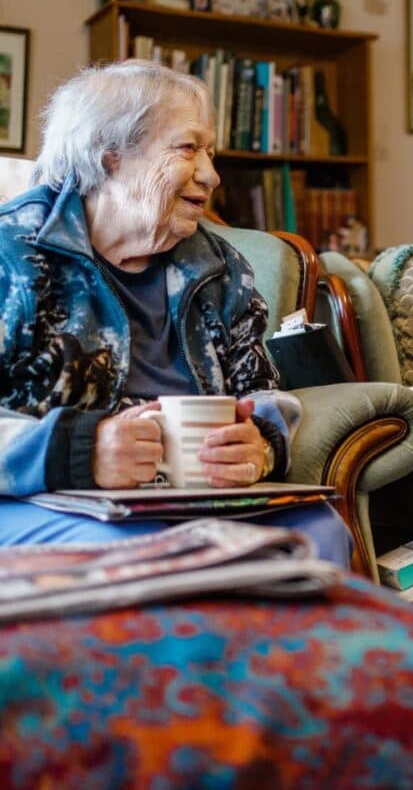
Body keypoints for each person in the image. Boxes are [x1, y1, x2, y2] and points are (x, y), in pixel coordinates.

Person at [0, 59, 352, 565]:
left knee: (317, 531)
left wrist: (262, 443)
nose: (211, 175)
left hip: (183, 498)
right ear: (110, 154)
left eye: (209, 152)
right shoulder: (15, 252)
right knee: (136, 552)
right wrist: (79, 452)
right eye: (188, 148)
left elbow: (263, 393)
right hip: (40, 497)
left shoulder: (219, 268)